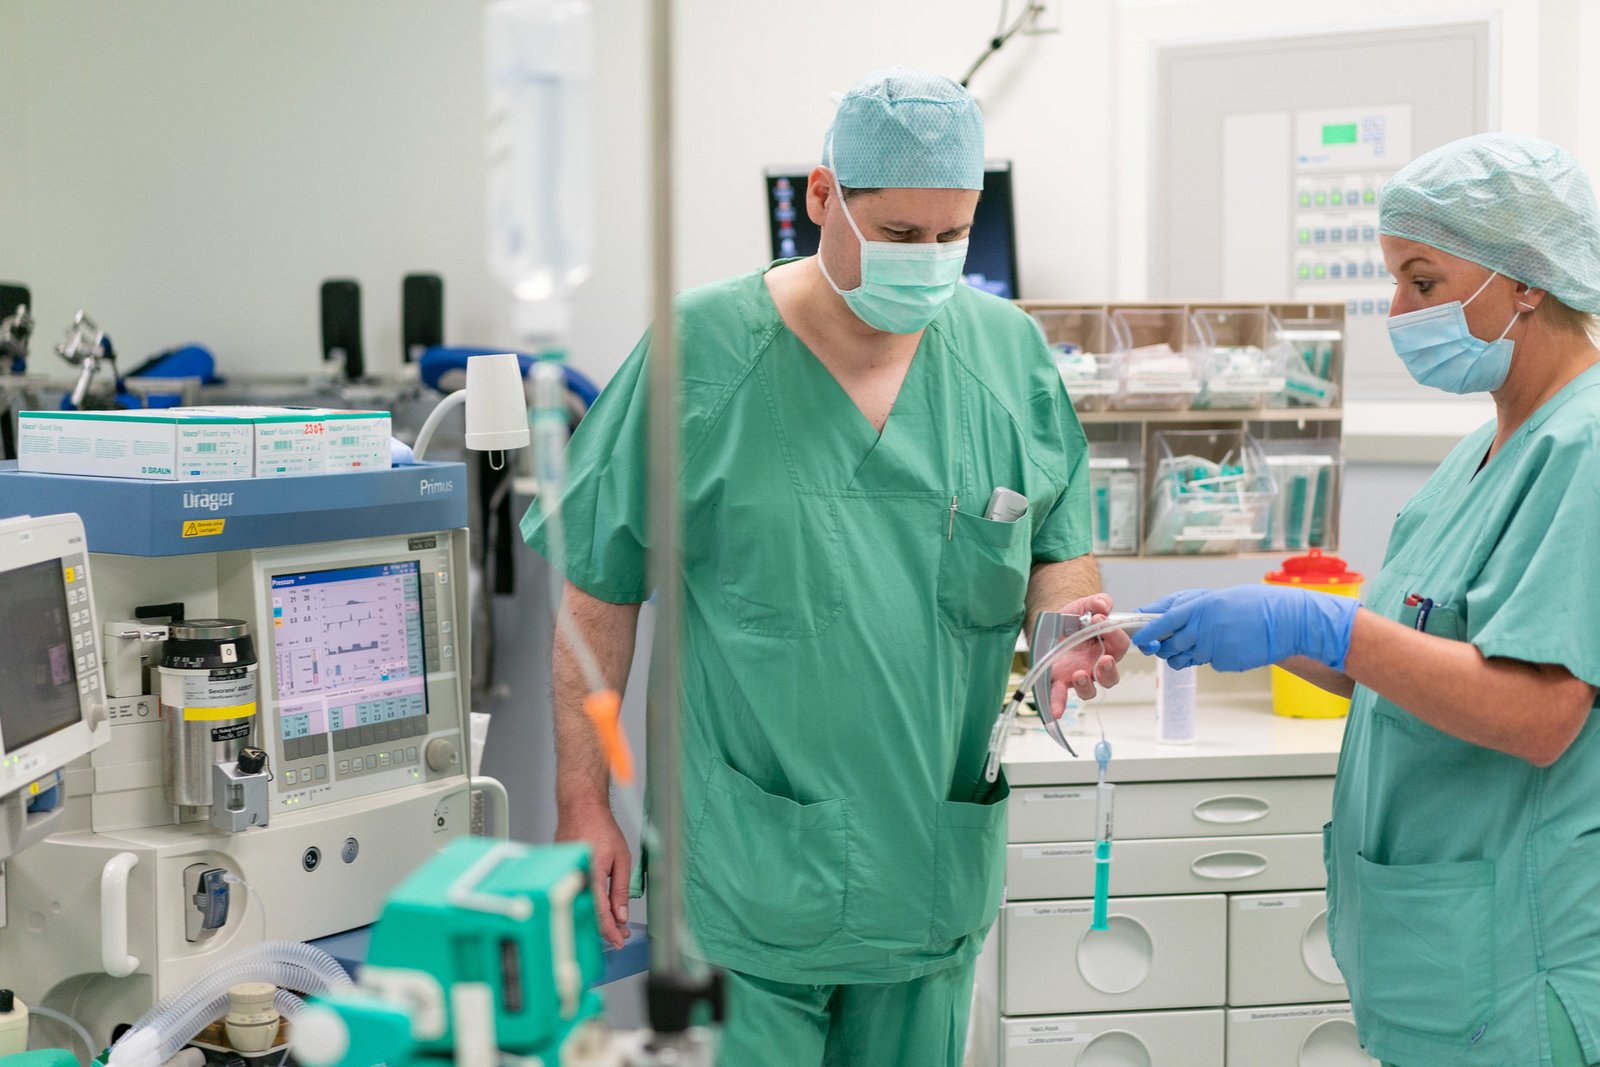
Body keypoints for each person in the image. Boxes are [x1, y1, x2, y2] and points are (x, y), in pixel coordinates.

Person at [522, 69, 1127, 1066]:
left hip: (925, 871)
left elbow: (1058, 553)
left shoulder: (1005, 355)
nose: (927, 263)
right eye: (897, 236)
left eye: (949, 237)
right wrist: (582, 798)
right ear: (820, 197)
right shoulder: (702, 354)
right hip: (745, 877)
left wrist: (1068, 635)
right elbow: (597, 589)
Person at [1133, 133, 1600, 1067]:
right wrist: (1263, 631)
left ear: (1528, 280)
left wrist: (1321, 623)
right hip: (1441, 951)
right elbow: (1407, 665)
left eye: (1422, 283)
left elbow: (1541, 711)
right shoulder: (1481, 455)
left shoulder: (1583, 450)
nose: (1396, 311)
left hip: (1522, 955)